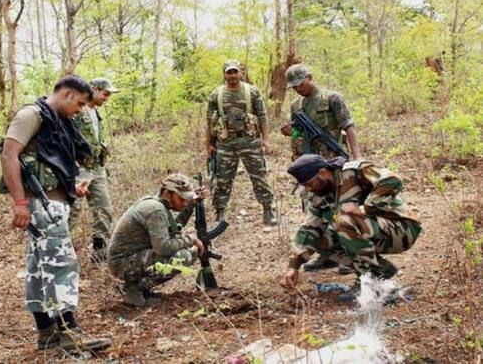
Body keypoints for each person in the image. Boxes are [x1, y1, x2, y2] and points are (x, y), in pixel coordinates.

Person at [0, 75, 111, 352]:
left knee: (40, 267)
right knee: (62, 265)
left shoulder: (57, 121)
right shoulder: (31, 114)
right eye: (81, 103)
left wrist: (71, 186)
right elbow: (8, 155)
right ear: (67, 94)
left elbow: (48, 161)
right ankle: (70, 333)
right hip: (41, 204)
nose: (82, 109)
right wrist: (20, 203)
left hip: (52, 201)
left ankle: (46, 332)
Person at [280, 154, 422, 302]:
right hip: (373, 231)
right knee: (321, 238)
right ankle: (378, 272)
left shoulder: (355, 172)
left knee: (344, 221)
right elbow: (309, 230)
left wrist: (365, 208)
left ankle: (372, 282)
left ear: (322, 173)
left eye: (309, 184)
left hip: (401, 228)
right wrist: (294, 266)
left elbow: (392, 180)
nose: (308, 189)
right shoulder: (318, 195)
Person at [281, 64, 362, 274]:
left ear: (310, 77)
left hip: (334, 163)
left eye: (300, 84)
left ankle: (348, 255)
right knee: (312, 209)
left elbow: (348, 126)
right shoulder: (296, 105)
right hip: (308, 167)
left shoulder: (332, 98)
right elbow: (298, 132)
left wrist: (356, 157)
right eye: (294, 87)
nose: (298, 89)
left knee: (339, 208)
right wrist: (291, 131)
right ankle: (327, 254)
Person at [107, 174, 205, 307]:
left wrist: (191, 205)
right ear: (167, 193)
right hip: (122, 263)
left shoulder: (157, 203)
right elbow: (163, 248)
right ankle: (134, 290)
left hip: (129, 258)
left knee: (182, 251)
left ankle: (136, 288)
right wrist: (191, 239)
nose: (184, 203)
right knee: (183, 257)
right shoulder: (155, 210)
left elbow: (173, 229)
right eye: (182, 199)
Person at [206, 59, 277, 225]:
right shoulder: (216, 94)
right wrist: (208, 145)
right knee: (222, 179)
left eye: (235, 71)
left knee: (259, 177)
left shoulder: (252, 91)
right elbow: (209, 121)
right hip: (225, 144)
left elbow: (262, 116)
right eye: (229, 72)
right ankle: (220, 212)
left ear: (241, 73)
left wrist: (266, 140)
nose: (232, 75)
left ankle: (268, 210)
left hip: (250, 142)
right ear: (224, 74)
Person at [68, 78, 119, 263]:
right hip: (79, 170)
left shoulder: (96, 113)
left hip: (97, 169)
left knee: (104, 209)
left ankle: (99, 253)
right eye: (105, 93)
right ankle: (58, 251)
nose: (107, 98)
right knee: (73, 212)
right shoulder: (76, 112)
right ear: (95, 90)